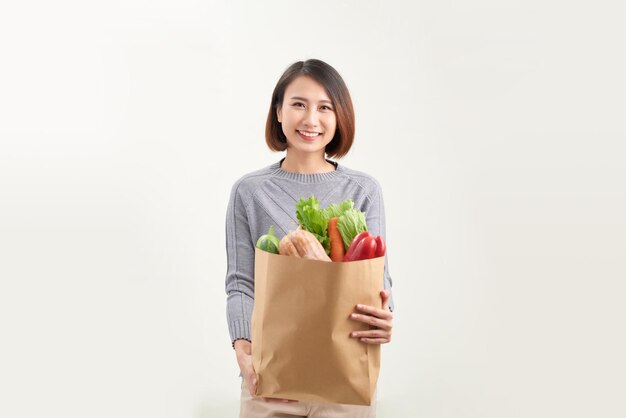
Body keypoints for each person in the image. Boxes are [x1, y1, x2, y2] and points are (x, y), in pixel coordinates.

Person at [225, 59, 394, 418]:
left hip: (344, 376)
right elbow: (241, 284)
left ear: (340, 116)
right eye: (298, 104)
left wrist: (384, 314)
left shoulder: (363, 190)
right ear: (278, 112)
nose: (311, 120)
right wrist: (244, 351)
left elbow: (378, 281)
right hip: (271, 375)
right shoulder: (249, 192)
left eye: (325, 107)